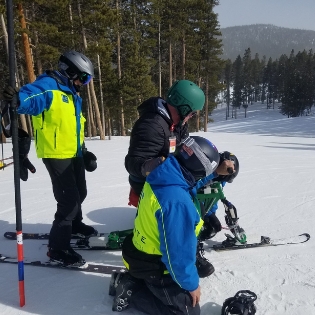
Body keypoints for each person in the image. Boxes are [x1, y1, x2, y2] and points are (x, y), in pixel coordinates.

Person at [110, 135, 235, 314]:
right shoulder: (177, 202)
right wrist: (191, 285)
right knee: (188, 311)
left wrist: (215, 173)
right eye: (205, 172)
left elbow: (189, 184)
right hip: (153, 264)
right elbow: (177, 256)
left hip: (139, 251)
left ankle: (135, 281)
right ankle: (131, 293)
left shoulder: (163, 173)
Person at [2, 50, 97, 266]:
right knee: (68, 201)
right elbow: (30, 98)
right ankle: (58, 248)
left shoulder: (72, 94)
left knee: (80, 192)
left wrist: (84, 150)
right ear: (69, 71)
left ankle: (74, 224)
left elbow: (75, 128)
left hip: (73, 153)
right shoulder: (48, 86)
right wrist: (18, 99)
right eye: (84, 78)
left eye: (88, 79)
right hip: (55, 154)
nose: (85, 83)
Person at [125, 79, 206, 208]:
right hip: (145, 182)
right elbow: (133, 164)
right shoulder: (151, 125)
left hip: (167, 175)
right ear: (184, 108)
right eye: (192, 113)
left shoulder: (179, 125)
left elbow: (185, 148)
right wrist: (160, 164)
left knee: (204, 186)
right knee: (186, 204)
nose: (192, 116)